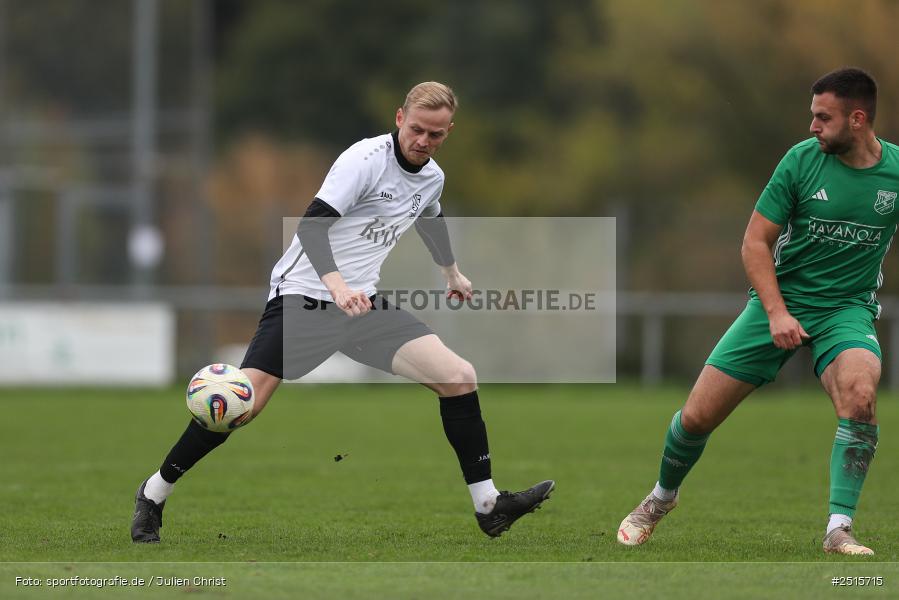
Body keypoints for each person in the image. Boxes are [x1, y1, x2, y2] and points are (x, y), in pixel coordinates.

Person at [131, 82, 553, 543]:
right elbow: (313, 226)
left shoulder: (433, 176)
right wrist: (337, 286)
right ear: (399, 118)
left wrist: (452, 273)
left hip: (361, 306)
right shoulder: (365, 160)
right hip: (303, 298)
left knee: (459, 377)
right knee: (238, 407)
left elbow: (430, 217)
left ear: (448, 131)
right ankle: (153, 493)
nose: (423, 142)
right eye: (416, 130)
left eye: (435, 135)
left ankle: (489, 505)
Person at [617, 68, 895, 555]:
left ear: (857, 119)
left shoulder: (895, 171)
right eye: (812, 115)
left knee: (861, 394)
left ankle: (838, 529)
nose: (812, 125)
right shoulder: (800, 162)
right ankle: (661, 498)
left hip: (847, 311)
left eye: (822, 117)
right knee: (698, 417)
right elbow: (754, 242)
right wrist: (776, 313)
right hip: (780, 304)